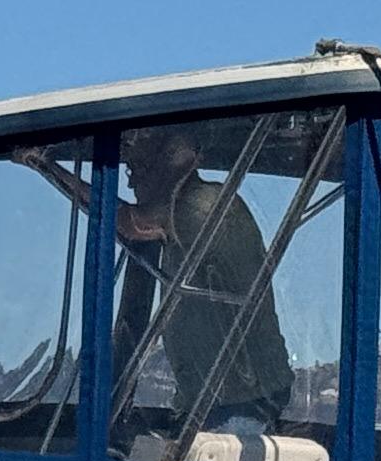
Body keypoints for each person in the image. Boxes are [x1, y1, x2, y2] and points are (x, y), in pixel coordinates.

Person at [113, 127, 292, 442]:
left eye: (138, 169)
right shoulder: (188, 212)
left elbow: (131, 223)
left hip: (238, 406)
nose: (129, 182)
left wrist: (46, 166)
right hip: (211, 402)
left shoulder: (203, 206)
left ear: (173, 162)